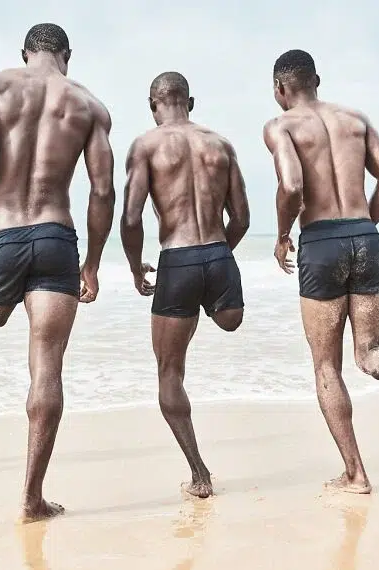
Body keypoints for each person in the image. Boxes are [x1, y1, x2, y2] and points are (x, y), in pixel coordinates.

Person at [0, 23, 115, 522]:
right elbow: (103, 192)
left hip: (5, 235)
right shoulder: (89, 106)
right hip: (56, 237)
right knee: (47, 365)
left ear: (24, 53)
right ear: (67, 56)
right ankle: (31, 497)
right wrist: (93, 262)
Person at [263, 50, 379, 494]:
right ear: (316, 80)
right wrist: (364, 227)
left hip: (320, 241)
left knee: (326, 365)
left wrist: (284, 233)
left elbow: (291, 185)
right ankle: (372, 352)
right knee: (364, 348)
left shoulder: (281, 125)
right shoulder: (355, 119)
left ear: (280, 90)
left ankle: (355, 474)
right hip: (364, 236)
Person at [121, 72, 250, 498]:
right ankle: (216, 307)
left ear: (152, 104)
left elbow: (132, 218)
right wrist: (216, 260)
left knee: (169, 371)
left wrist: (137, 269)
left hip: (176, 259)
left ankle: (200, 475)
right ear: (189, 102)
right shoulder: (221, 144)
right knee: (229, 321)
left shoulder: (146, 146)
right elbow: (242, 219)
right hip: (218, 256)